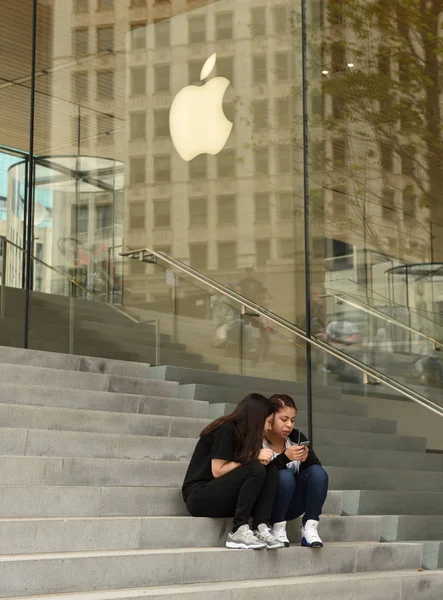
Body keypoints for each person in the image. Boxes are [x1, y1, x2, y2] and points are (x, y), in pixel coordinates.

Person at [182, 393, 284, 550]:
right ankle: (238, 531)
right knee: (255, 468)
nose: (269, 428)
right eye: (269, 422)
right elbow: (217, 471)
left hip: (223, 495)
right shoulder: (225, 429)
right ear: (257, 418)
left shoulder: (248, 435)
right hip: (200, 496)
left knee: (270, 469)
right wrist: (253, 456)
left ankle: (260, 526)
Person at [262, 394, 329, 548]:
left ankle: (309, 527)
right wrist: (285, 458)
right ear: (270, 417)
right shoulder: (258, 438)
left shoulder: (296, 437)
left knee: (318, 472)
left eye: (292, 420)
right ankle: (276, 528)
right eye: (284, 419)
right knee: (284, 476)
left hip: (291, 505)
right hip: (265, 506)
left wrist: (306, 459)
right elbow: (257, 474)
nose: (289, 425)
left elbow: (315, 472)